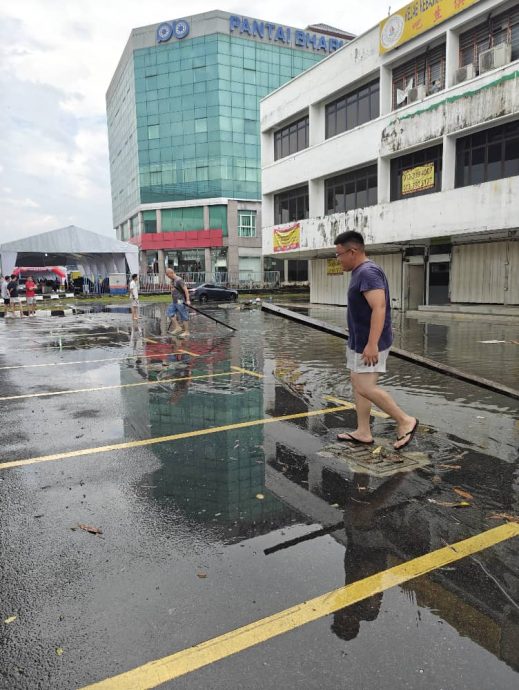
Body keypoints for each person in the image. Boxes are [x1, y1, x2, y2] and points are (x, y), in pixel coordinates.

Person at [334, 230, 418, 450]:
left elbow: (379, 308)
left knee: (365, 385)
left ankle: (404, 420)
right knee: (357, 382)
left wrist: (372, 343)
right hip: (358, 341)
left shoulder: (368, 272)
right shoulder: (359, 271)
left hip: (370, 344)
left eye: (339, 254)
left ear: (352, 252)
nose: (338, 259)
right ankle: (363, 431)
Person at [165, 267, 191, 338]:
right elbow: (173, 291)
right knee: (169, 313)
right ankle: (177, 327)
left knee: (183, 315)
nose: (167, 276)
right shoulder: (172, 281)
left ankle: (186, 332)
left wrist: (188, 300)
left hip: (180, 301)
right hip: (174, 301)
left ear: (171, 273)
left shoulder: (179, 280)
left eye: (167, 275)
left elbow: (186, 290)